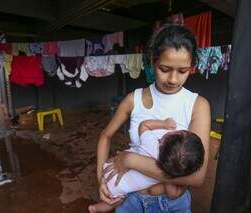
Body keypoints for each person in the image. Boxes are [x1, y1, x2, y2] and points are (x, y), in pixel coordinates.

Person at [97, 24, 211, 212]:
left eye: (182, 71)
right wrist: (102, 180)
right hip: (130, 201)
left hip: (172, 204)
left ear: (191, 67)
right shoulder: (133, 99)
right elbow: (105, 136)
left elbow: (196, 178)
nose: (173, 79)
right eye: (165, 69)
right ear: (153, 61)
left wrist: (130, 160)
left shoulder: (197, 105)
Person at [89, 118, 205, 212]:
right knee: (116, 201)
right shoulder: (168, 173)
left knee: (117, 199)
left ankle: (96, 207)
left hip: (110, 167)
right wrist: (176, 176)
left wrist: (163, 124)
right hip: (117, 188)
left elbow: (143, 125)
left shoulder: (151, 142)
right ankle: (96, 208)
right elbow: (173, 194)